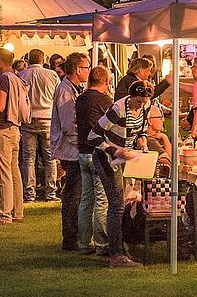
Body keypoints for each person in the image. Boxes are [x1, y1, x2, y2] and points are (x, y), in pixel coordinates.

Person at [88, 80, 154, 268]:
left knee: (122, 202)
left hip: (125, 158)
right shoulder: (117, 109)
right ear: (131, 96)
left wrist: (142, 141)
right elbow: (93, 136)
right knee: (116, 205)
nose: (141, 105)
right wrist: (113, 151)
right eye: (138, 101)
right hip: (106, 158)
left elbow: (142, 129)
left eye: (144, 101)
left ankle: (118, 245)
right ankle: (116, 255)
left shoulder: (146, 106)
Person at [51, 52, 91, 250]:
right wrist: (82, 141)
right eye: (86, 68)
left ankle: (74, 234)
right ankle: (71, 237)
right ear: (77, 70)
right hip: (71, 149)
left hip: (74, 147)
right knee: (73, 194)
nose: (88, 72)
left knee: (76, 192)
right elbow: (69, 124)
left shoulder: (74, 88)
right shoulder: (65, 91)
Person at [0, 49, 27, 225]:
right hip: (15, 128)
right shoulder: (18, 78)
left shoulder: (3, 79)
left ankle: (4, 214)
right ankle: (17, 211)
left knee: (4, 174)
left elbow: (1, 106)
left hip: (2, 128)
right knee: (14, 172)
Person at [75, 65, 111, 255]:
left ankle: (83, 242)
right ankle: (102, 243)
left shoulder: (80, 99)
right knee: (101, 199)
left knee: (86, 199)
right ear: (106, 82)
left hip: (82, 152)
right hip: (98, 152)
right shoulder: (105, 101)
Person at [19, 49, 60, 203]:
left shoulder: (22, 75)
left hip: (28, 118)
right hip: (47, 118)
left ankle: (29, 193)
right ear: (43, 60)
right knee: (50, 157)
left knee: (28, 158)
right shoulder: (52, 75)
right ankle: (51, 192)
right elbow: (58, 95)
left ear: (29, 59)